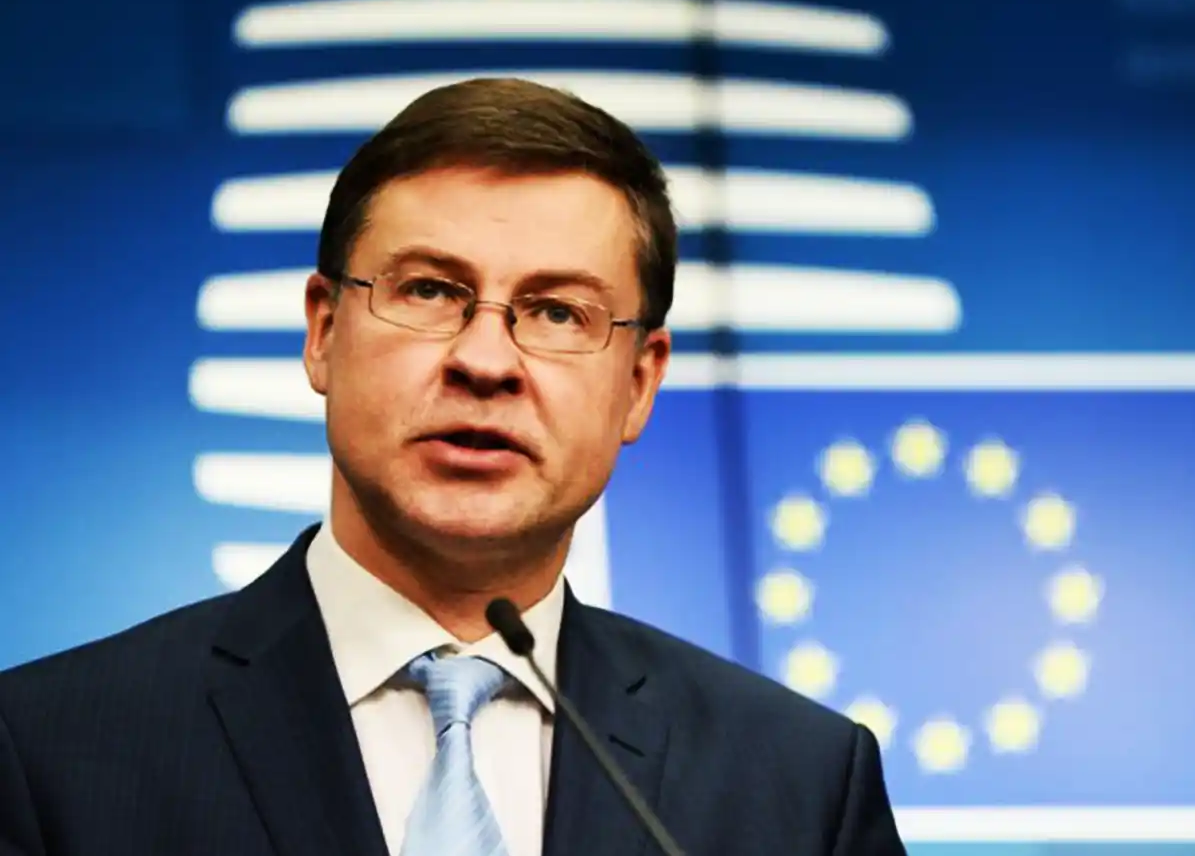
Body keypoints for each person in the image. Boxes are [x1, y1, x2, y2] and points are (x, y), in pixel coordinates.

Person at [0, 78, 906, 855]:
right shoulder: (46, 753)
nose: (485, 360)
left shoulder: (799, 785)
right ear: (323, 332)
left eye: (558, 312)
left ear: (639, 383)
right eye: (430, 290)